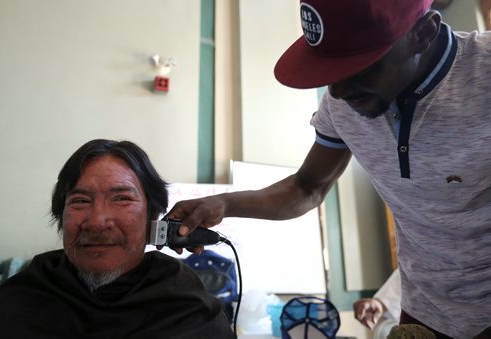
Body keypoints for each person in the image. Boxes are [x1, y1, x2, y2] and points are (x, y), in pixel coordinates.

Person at [166, 0, 491, 338]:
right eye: (331, 72)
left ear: (424, 33)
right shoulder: (342, 105)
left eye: (359, 67)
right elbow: (307, 187)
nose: (337, 90)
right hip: (426, 309)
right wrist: (225, 204)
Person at [0, 139, 234, 339]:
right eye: (80, 201)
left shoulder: (188, 308)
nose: (97, 221)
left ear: (153, 217)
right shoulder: (19, 301)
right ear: (61, 216)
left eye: (122, 199)